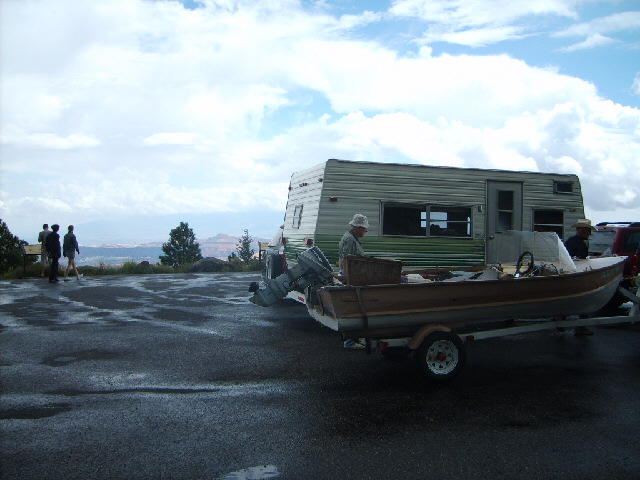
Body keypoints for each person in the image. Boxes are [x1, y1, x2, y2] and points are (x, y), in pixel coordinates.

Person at [338, 214, 369, 348]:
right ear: (357, 228)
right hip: (351, 277)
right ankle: (350, 341)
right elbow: (346, 259)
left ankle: (351, 339)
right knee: (353, 309)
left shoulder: (351, 237)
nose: (366, 231)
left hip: (352, 276)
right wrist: (348, 277)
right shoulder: (350, 239)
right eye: (364, 228)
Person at [564, 218, 597, 335]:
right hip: (577, 275)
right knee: (585, 300)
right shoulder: (581, 244)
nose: (589, 234)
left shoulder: (570, 240)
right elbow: (581, 261)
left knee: (566, 299)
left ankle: (560, 319)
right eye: (588, 231)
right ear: (583, 231)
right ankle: (581, 327)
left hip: (566, 274)